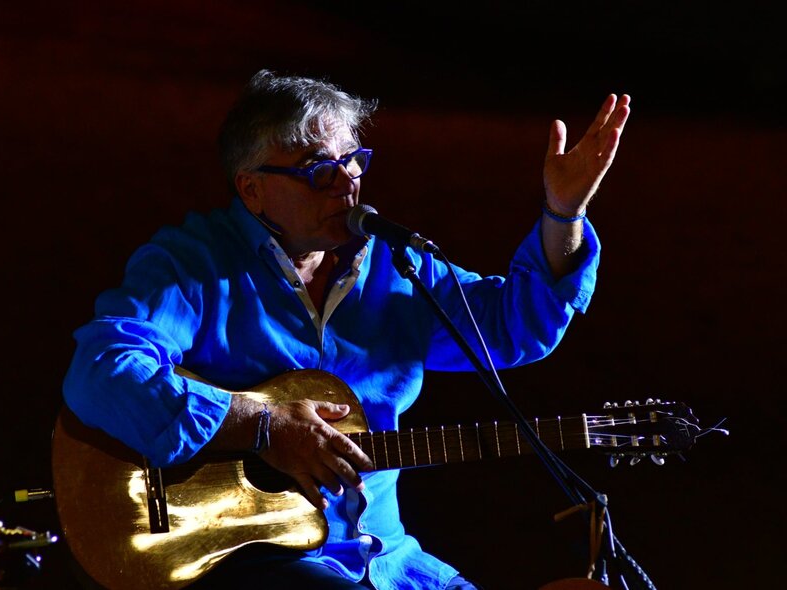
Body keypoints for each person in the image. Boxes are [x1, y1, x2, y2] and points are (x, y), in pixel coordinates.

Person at [62, 69, 630, 589]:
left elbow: (512, 327)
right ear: (251, 188)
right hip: (249, 562)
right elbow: (100, 372)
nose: (347, 182)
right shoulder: (189, 264)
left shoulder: (397, 264)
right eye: (317, 170)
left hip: (389, 560)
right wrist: (261, 426)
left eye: (354, 158)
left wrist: (565, 213)